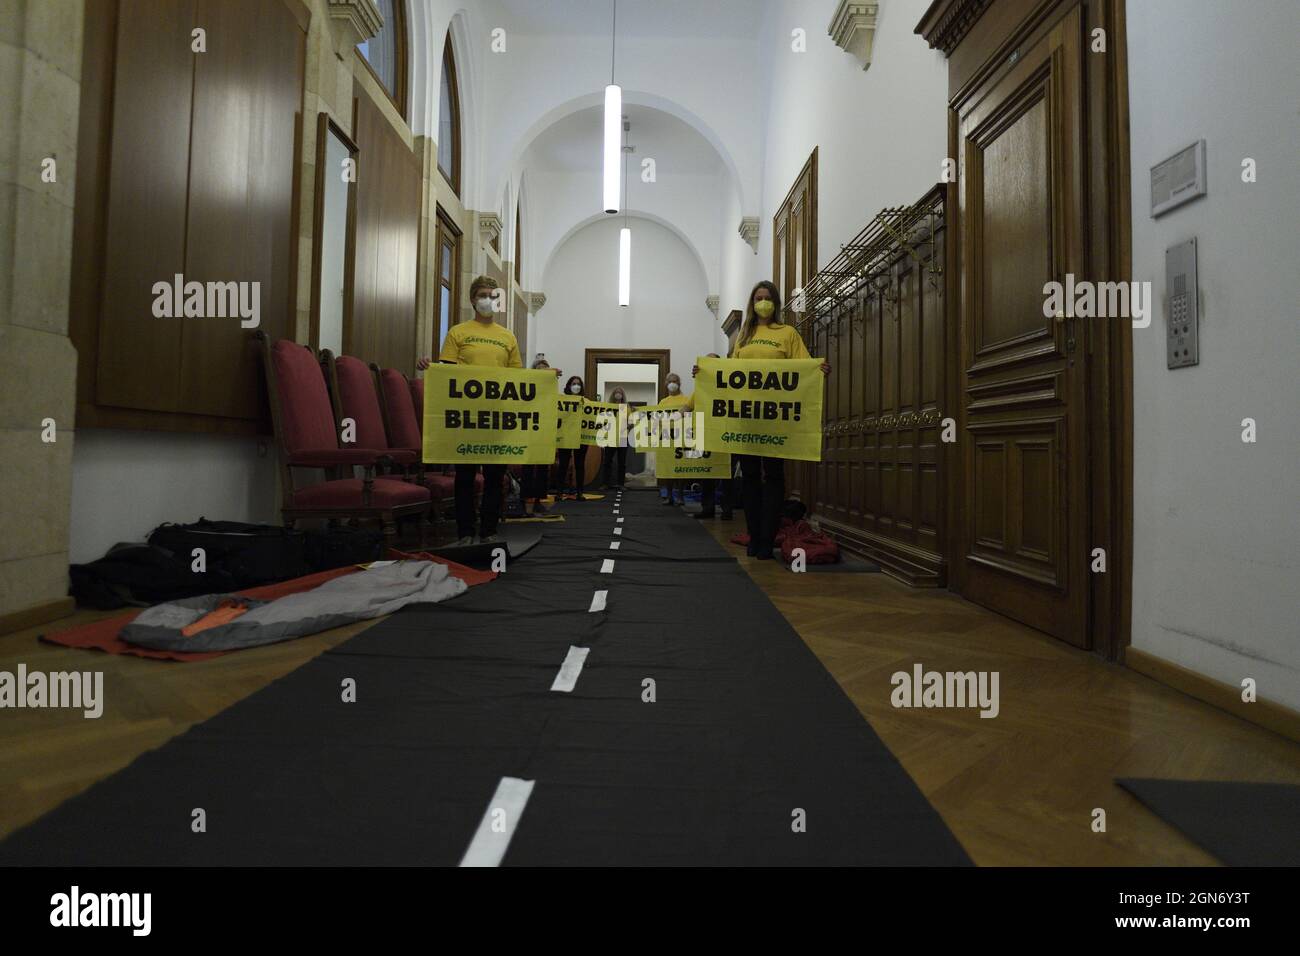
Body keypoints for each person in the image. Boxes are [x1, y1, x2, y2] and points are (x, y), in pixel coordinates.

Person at [693, 282, 830, 559]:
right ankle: (754, 536)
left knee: (774, 476)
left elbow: (803, 367)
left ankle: (768, 538)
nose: (763, 302)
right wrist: (705, 372)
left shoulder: (788, 333)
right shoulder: (744, 336)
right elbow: (730, 372)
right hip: (747, 419)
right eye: (758, 298)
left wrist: (819, 370)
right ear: (752, 302)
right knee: (751, 477)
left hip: (776, 420)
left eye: (767, 298)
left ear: (776, 303)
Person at [416, 275, 521, 546]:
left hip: (496, 417)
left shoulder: (507, 337)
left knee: (495, 476)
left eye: (492, 294)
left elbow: (518, 379)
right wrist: (430, 367)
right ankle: (464, 533)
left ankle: (488, 530)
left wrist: (547, 378)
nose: (488, 299)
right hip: (465, 418)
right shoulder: (457, 333)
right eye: (482, 294)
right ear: (473, 299)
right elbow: (447, 373)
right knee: (465, 475)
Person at [689, 355, 734, 521]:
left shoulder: (731, 385)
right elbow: (687, 407)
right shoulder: (700, 388)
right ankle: (707, 508)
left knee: (726, 473)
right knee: (706, 472)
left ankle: (727, 509)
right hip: (706, 434)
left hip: (725, 434)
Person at [521, 357, 563, 515]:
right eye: (540, 370)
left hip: (544, 434)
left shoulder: (551, 391)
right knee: (528, 469)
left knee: (543, 470)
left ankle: (538, 501)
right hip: (529, 433)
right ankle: (525, 501)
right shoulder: (527, 387)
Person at [656, 371, 690, 505]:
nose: (672, 384)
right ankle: (669, 496)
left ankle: (680, 496)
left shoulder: (686, 400)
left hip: (681, 436)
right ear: (665, 384)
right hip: (666, 438)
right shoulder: (663, 402)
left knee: (681, 468)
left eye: (675, 381)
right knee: (667, 467)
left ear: (679, 383)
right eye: (670, 381)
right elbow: (657, 418)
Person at [556, 375, 588, 500]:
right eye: (574, 383)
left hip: (581, 436)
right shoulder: (562, 400)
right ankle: (559, 492)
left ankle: (580, 492)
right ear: (569, 386)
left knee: (580, 465)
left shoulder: (586, 401)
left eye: (578, 384)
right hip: (565, 436)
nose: (576, 386)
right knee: (563, 464)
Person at [600, 386, 629, 490]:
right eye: (616, 392)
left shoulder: (627, 408)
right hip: (610, 438)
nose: (618, 394)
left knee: (622, 463)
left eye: (620, 392)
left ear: (622, 395)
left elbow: (632, 422)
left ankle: (621, 484)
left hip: (622, 438)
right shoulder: (608, 407)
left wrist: (629, 424)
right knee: (607, 461)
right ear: (613, 395)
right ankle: (605, 483)